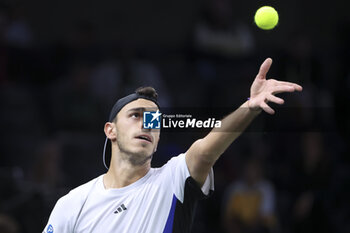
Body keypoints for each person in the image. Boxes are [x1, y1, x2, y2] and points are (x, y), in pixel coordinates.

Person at [43, 58, 302, 233]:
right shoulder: (72, 203)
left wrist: (249, 107)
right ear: (110, 130)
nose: (147, 125)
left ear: (157, 143)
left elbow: (205, 150)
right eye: (135, 116)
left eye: (154, 121)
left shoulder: (172, 178)